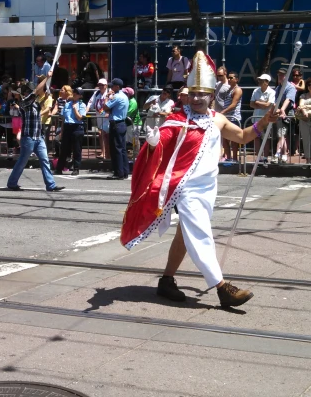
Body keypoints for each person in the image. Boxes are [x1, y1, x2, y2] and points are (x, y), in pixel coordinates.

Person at [121, 50, 281, 307]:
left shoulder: (217, 119)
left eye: (201, 94)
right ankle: (222, 287)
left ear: (210, 95)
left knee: (185, 235)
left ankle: (166, 281)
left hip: (208, 186)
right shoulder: (178, 119)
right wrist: (152, 143)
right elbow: (162, 141)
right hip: (184, 187)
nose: (195, 98)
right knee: (200, 233)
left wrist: (265, 121)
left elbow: (241, 136)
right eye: (191, 93)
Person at [6, 75, 65, 192]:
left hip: (38, 136)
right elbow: (36, 92)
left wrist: (46, 96)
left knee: (45, 160)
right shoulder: (24, 103)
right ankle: (12, 182)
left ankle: (51, 185)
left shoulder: (35, 104)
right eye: (29, 91)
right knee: (23, 161)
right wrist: (47, 77)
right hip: (28, 137)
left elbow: (39, 99)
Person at [55, 87, 87, 176]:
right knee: (64, 149)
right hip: (67, 127)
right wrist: (62, 130)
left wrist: (75, 109)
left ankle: (76, 168)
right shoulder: (67, 104)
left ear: (80, 96)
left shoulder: (82, 105)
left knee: (77, 149)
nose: (75, 94)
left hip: (77, 127)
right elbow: (63, 118)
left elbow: (80, 117)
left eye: (77, 93)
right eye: (74, 92)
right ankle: (59, 168)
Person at [105, 78, 130, 180]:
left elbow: (105, 107)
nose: (111, 87)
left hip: (116, 124)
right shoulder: (124, 96)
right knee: (122, 149)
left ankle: (118, 172)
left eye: (113, 86)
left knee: (116, 149)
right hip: (122, 123)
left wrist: (107, 97)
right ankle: (124, 171)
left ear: (117, 87)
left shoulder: (117, 97)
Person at [272, 68, 297, 164]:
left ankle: (278, 153)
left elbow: (288, 100)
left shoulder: (290, 87)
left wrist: (282, 109)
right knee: (282, 135)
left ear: (286, 76)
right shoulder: (278, 88)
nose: (280, 77)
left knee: (282, 134)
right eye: (279, 75)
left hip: (288, 114)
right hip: (279, 113)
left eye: (282, 75)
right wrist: (277, 110)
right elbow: (275, 102)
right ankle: (284, 155)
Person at [249, 74, 276, 161]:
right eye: (259, 80)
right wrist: (263, 104)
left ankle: (265, 157)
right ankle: (258, 157)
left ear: (267, 82)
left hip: (267, 119)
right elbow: (251, 104)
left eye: (262, 80)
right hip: (256, 118)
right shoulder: (255, 90)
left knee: (266, 138)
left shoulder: (272, 92)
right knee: (256, 137)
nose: (259, 81)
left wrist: (258, 102)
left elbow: (268, 105)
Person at [87, 78, 110, 160]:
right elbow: (90, 103)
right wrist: (86, 111)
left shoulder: (110, 93)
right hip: (99, 117)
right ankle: (105, 153)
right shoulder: (96, 93)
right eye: (99, 84)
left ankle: (105, 153)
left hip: (107, 118)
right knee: (102, 135)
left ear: (106, 85)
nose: (100, 86)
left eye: (102, 85)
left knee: (102, 134)